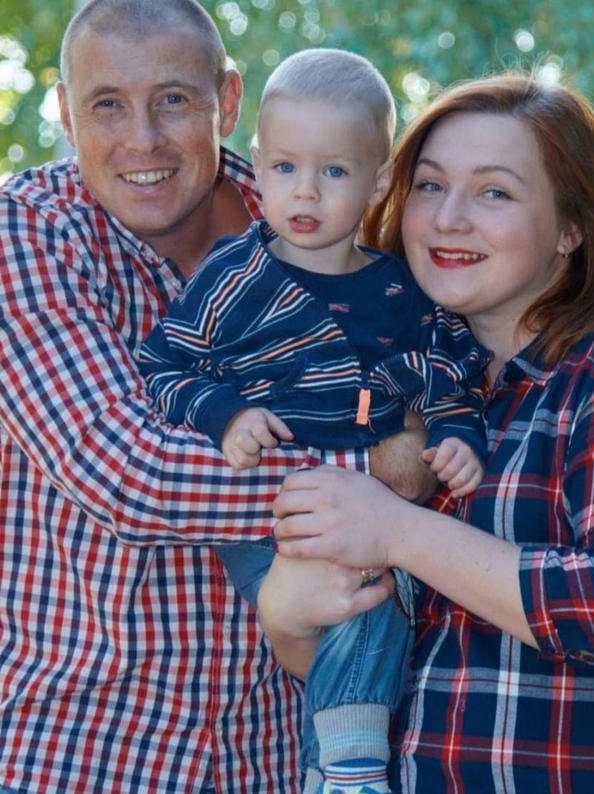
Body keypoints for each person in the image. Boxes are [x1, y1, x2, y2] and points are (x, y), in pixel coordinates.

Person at [0, 0, 433, 794]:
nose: (143, 140)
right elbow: (124, 468)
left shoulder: (324, 218)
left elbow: (413, 388)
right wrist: (369, 475)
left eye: (171, 100)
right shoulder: (28, 234)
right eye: (106, 106)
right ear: (64, 112)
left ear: (226, 100)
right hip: (78, 749)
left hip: (271, 759)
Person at [259, 72, 594, 794]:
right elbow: (404, 663)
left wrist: (398, 532)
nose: (448, 219)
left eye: (494, 192)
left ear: (571, 227)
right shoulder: (402, 391)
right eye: (430, 186)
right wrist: (288, 626)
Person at [138, 47, 489, 794]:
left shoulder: (399, 289)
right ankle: (352, 770)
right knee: (355, 585)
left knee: (378, 603)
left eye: (333, 172)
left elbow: (446, 369)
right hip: (271, 518)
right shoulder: (235, 277)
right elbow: (164, 365)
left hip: (377, 509)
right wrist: (226, 412)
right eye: (286, 168)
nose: (305, 191)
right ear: (258, 168)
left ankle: (334, 770)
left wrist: (459, 434)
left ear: (380, 180)